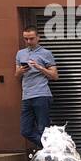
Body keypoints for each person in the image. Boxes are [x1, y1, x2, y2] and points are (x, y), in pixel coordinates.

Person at [15, 25, 57, 154]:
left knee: (43, 129)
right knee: (25, 130)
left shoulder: (46, 53)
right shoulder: (20, 53)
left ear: (38, 38)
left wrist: (40, 68)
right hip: (26, 96)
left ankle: (49, 158)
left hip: (42, 94)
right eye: (26, 39)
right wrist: (20, 71)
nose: (28, 42)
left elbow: (55, 76)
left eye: (31, 38)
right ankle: (54, 148)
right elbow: (16, 76)